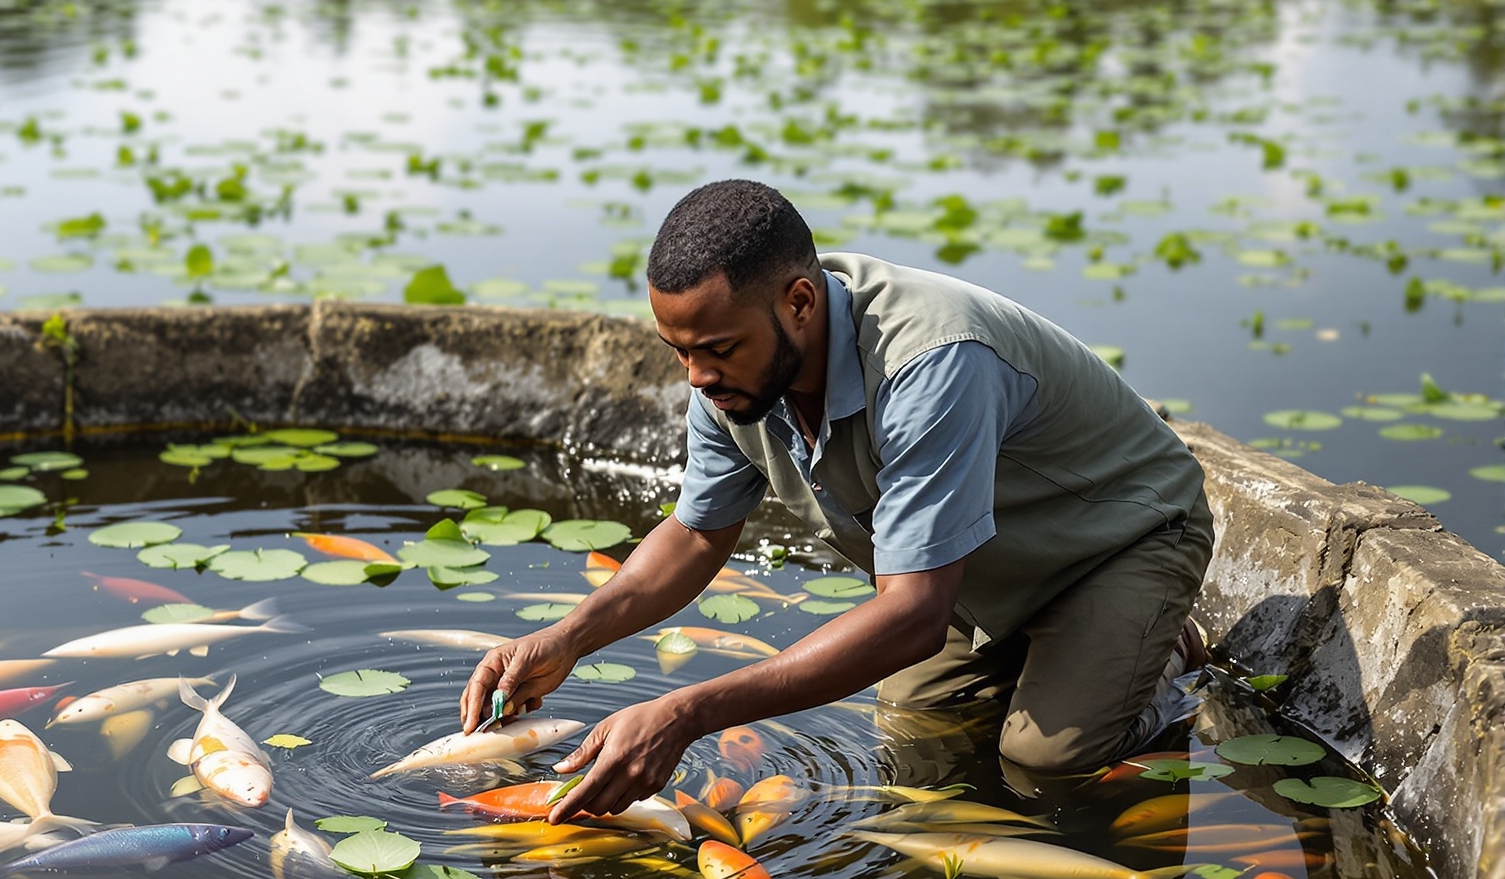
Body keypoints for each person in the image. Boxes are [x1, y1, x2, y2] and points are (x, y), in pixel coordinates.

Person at [462, 178, 1213, 821]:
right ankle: (1060, 653)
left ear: (800, 302)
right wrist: (567, 638)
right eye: (679, 352)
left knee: (1045, 761)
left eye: (716, 350)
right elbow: (695, 535)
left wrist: (686, 712)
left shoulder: (931, 363)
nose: (696, 377)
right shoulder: (730, 375)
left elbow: (913, 615)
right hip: (981, 564)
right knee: (920, 722)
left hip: (1120, 540)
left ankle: (1167, 653)